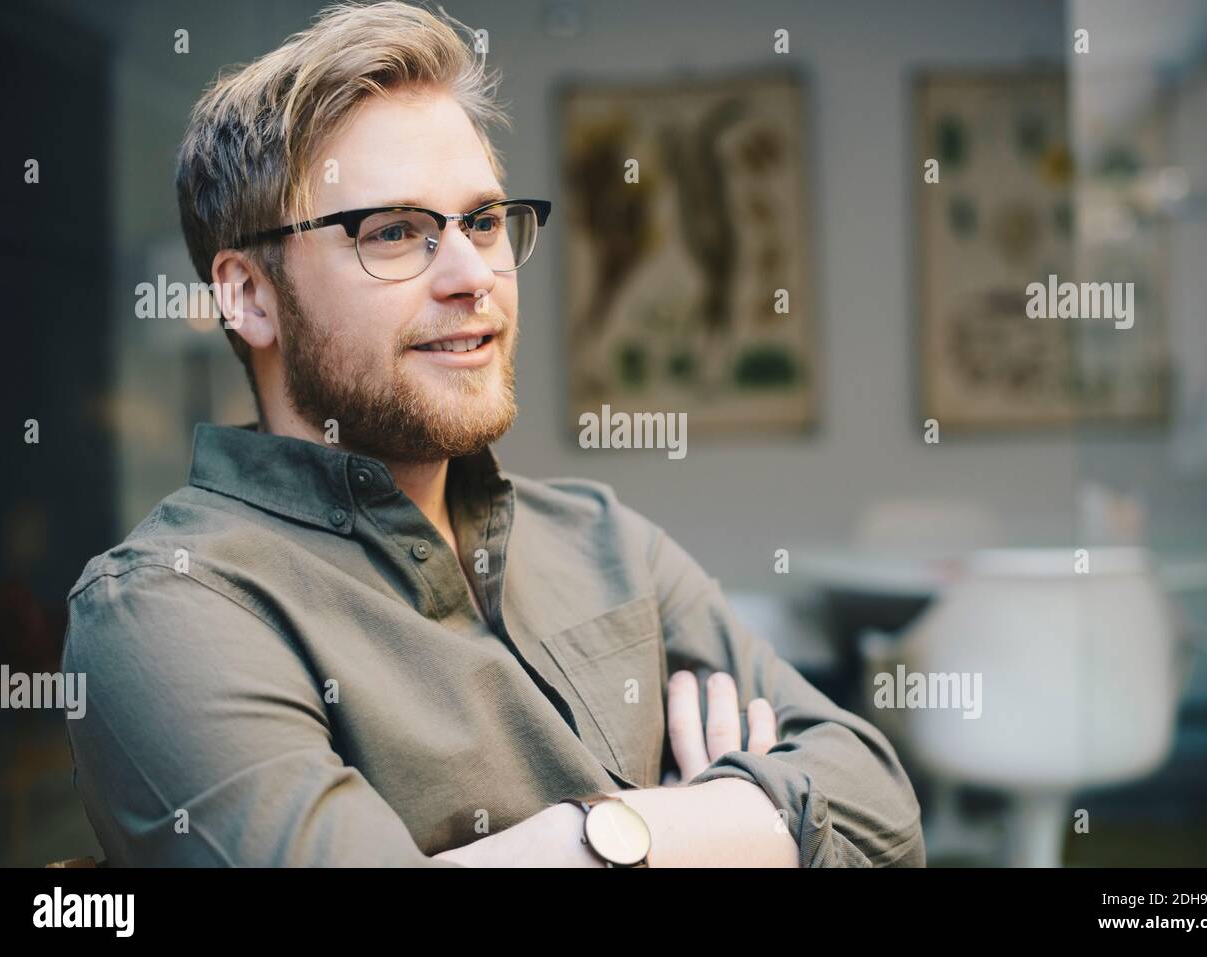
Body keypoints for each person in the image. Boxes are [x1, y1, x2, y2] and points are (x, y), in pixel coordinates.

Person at [62, 0, 923, 867]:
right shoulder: (167, 608)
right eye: (394, 233)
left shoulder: (609, 540)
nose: (473, 275)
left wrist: (600, 839)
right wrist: (643, 830)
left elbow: (883, 817)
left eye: (480, 220)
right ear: (248, 295)